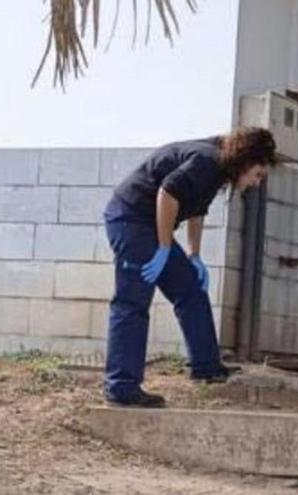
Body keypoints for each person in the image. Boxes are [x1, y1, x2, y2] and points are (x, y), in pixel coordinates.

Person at [102, 127, 278, 407]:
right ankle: (121, 389)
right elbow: (167, 194)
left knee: (190, 289)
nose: (257, 182)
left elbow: (196, 209)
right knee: (132, 302)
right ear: (245, 161)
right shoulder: (207, 160)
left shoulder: (219, 167)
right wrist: (163, 247)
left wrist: (194, 255)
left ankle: (206, 367)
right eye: (257, 174)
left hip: (151, 225)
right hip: (131, 219)